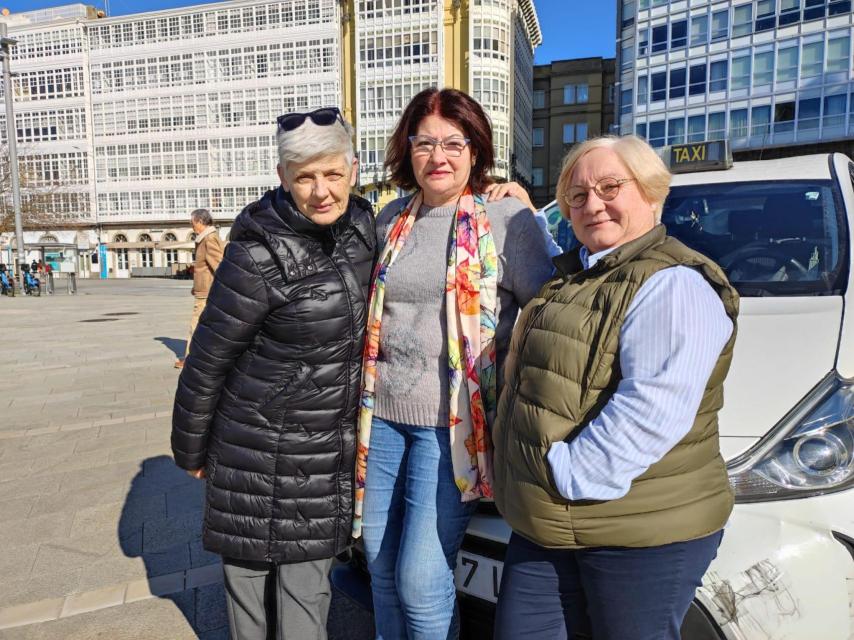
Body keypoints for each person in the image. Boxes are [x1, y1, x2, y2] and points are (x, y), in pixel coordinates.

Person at [491, 135, 739, 640]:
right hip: (550, 524)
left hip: (635, 532)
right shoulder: (581, 274)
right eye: (577, 197)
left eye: (610, 187)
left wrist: (564, 474)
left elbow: (653, 408)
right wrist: (529, 218)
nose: (593, 204)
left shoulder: (674, 284)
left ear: (651, 193)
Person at [353, 87, 555, 639]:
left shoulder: (507, 219)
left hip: (455, 425)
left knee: (420, 577)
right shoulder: (390, 219)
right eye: (424, 143)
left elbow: (551, 312)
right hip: (384, 417)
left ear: (474, 149)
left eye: (452, 143)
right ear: (406, 149)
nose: (437, 157)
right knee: (379, 563)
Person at [171, 107, 376, 640]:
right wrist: (191, 450)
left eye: (332, 174)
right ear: (283, 178)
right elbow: (209, 359)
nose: (321, 190)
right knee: (248, 596)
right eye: (305, 177)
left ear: (353, 169)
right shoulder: (254, 254)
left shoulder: (365, 229)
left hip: (319, 458)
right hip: (248, 449)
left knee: (307, 598)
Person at [174, 208, 225, 369]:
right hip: (205, 289)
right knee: (211, 324)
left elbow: (218, 265)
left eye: (193, 223)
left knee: (196, 324)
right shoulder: (206, 238)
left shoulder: (209, 238)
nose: (192, 226)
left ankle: (191, 358)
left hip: (208, 291)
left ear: (200, 222)